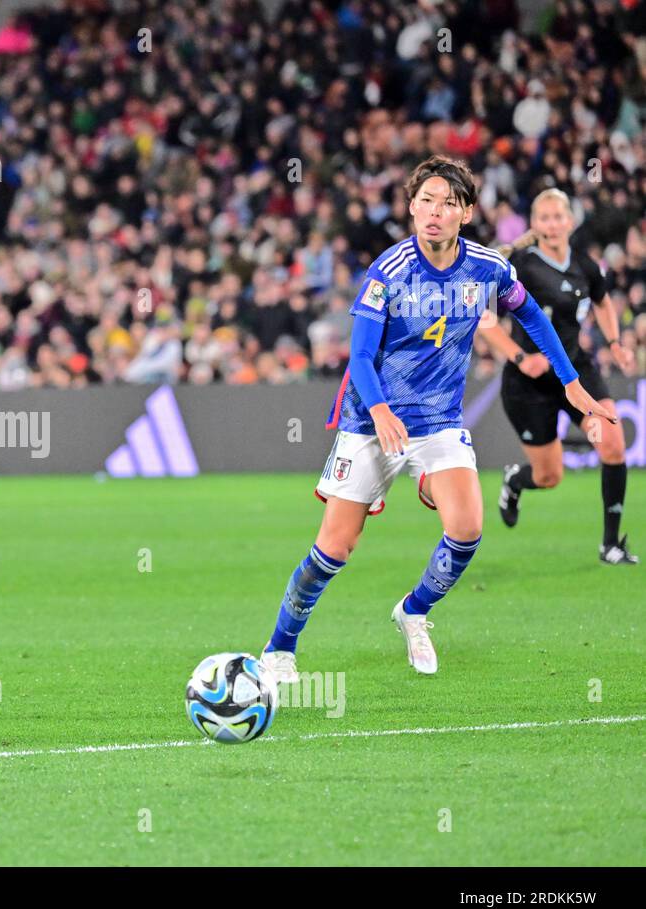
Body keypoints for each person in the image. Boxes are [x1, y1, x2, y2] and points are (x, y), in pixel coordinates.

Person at [258, 157, 614, 683]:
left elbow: (532, 314)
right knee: (335, 546)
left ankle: (415, 610)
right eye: (425, 200)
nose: (435, 211)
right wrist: (379, 412)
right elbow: (358, 357)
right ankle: (279, 647)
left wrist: (570, 381)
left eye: (448, 202)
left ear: (466, 213)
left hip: (439, 420)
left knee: (467, 529)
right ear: (410, 207)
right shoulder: (389, 271)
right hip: (369, 418)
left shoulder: (489, 268)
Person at [477, 189, 636, 564]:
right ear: (534, 224)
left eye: (557, 217)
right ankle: (517, 480)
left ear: (570, 221)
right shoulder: (519, 264)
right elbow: (486, 319)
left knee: (612, 443)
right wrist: (519, 357)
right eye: (543, 218)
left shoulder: (585, 264)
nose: (551, 224)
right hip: (528, 382)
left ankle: (610, 544)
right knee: (549, 477)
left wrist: (613, 341)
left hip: (575, 371)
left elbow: (602, 301)